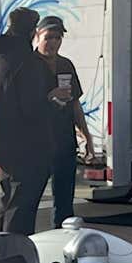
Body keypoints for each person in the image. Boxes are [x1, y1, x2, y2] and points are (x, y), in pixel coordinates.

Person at [0, 6, 55, 235]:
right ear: (32, 32)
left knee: (9, 199)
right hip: (27, 145)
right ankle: (15, 257)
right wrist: (52, 101)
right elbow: (33, 108)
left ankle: (0, 249)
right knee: (22, 207)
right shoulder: (26, 63)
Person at [34, 15, 95, 227]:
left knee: (64, 200)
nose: (53, 42)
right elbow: (22, 105)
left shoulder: (65, 64)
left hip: (64, 139)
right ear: (37, 36)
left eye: (57, 38)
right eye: (48, 37)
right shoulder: (29, 65)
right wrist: (49, 95)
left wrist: (86, 136)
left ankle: (61, 241)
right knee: (30, 199)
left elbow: (75, 103)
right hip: (37, 141)